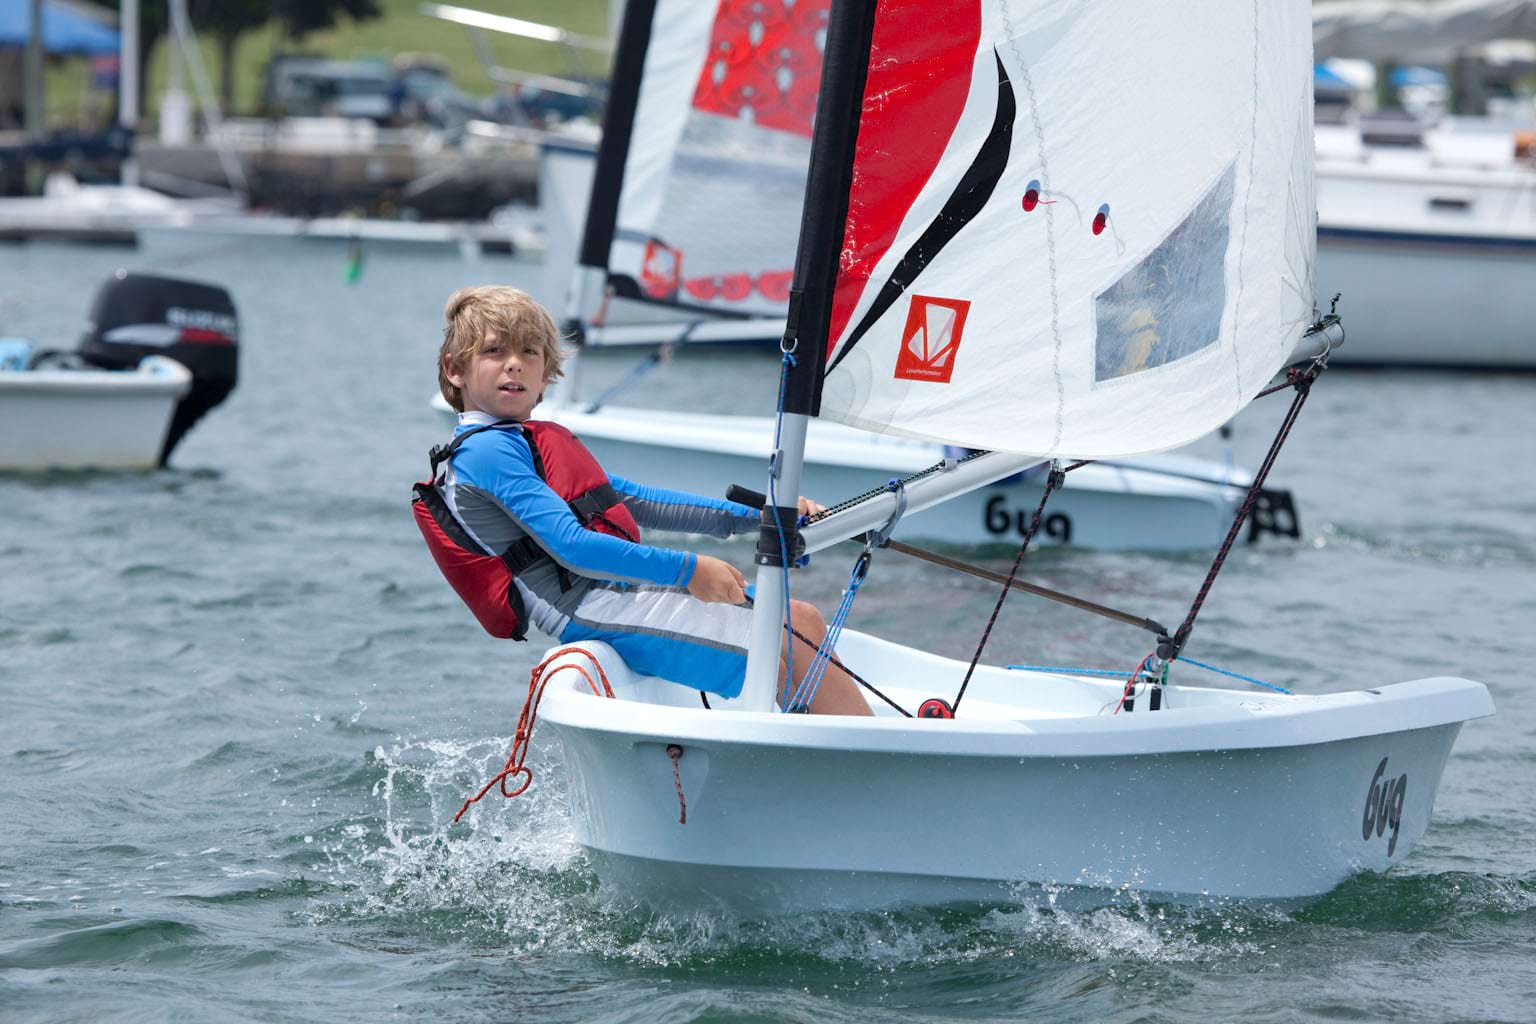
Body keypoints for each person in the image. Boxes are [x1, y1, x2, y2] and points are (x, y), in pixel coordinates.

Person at [433, 285, 872, 716]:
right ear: (455, 369)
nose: (515, 364)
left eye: (529, 352)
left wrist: (759, 517)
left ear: (546, 372)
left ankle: (859, 753)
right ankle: (860, 767)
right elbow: (572, 546)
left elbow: (635, 500)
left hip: (620, 588)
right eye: (494, 352)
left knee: (803, 620)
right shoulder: (484, 451)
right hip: (587, 607)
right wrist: (691, 570)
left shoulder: (523, 439)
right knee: (770, 660)